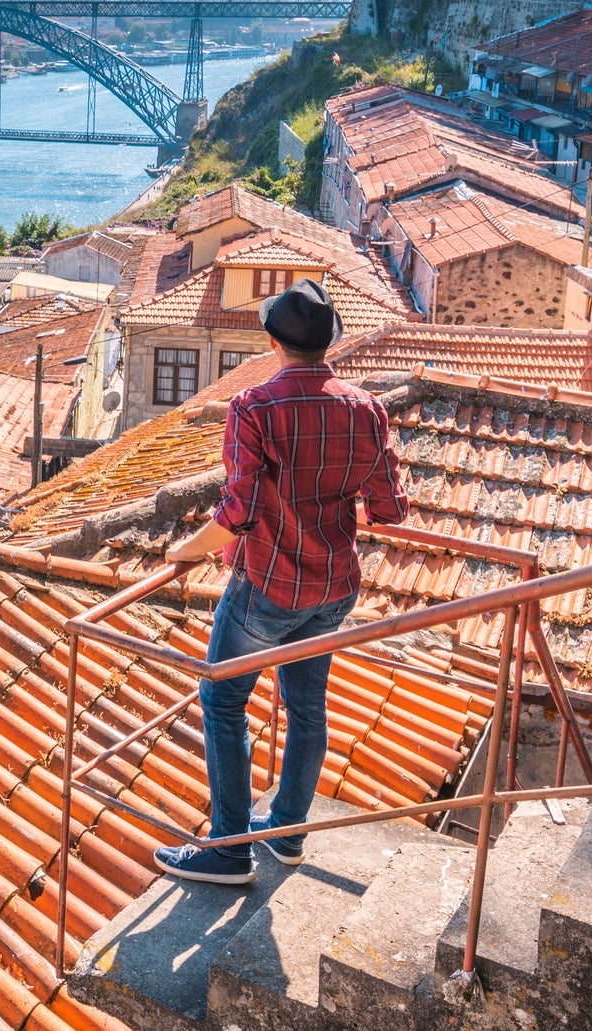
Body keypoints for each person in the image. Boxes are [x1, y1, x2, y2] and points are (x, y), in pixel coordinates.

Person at [152, 278, 407, 885]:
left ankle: (230, 849)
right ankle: (287, 832)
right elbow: (389, 508)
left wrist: (183, 552)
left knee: (223, 701)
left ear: (272, 342)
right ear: (329, 342)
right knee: (307, 708)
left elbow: (237, 511)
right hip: (334, 585)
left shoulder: (254, 408)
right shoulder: (366, 409)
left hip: (269, 584)